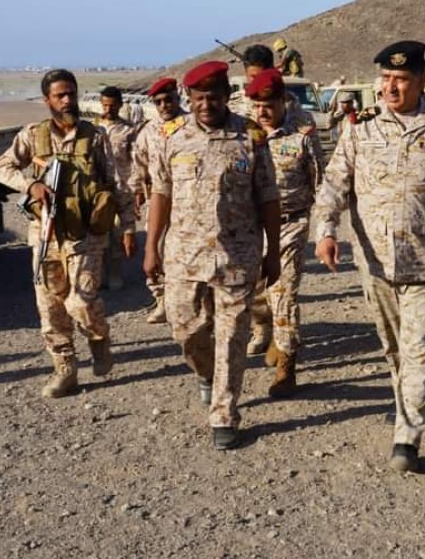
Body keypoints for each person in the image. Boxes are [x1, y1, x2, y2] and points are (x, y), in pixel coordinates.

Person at [313, 40, 425, 473]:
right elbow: (336, 183)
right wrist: (326, 231)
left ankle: (407, 437)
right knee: (395, 351)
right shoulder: (359, 125)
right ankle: (406, 401)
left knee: (421, 348)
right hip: (376, 261)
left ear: (422, 81)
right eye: (386, 78)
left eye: (401, 79)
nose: (391, 87)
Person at [143, 60, 281, 450]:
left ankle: (224, 413)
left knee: (233, 338)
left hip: (237, 254)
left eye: (214, 97)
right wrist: (151, 246)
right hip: (184, 256)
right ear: (189, 98)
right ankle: (205, 373)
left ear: (226, 97)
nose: (206, 105)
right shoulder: (172, 136)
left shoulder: (250, 136)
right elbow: (161, 194)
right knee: (185, 329)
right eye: (199, 98)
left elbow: (268, 197)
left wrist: (272, 252)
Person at [0, 70, 135, 398]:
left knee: (81, 301)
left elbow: (117, 184)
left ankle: (99, 340)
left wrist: (127, 227)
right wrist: (31, 184)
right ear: (48, 101)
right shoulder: (33, 135)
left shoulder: (95, 136)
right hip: (46, 235)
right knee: (51, 306)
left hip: (87, 235)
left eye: (71, 93)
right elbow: (1, 168)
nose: (68, 100)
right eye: (60, 95)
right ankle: (65, 370)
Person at [244, 69, 324, 397]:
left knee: (284, 292)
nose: (262, 111)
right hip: (252, 226)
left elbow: (321, 181)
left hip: (291, 224)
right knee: (253, 291)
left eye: (268, 104)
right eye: (256, 105)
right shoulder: (244, 136)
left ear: (282, 102)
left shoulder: (302, 134)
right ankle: (270, 332)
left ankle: (287, 367)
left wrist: (325, 227)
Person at [130, 77, 184, 324]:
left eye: (168, 100)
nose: (164, 106)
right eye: (159, 101)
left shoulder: (192, 125)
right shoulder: (148, 131)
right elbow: (139, 163)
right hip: (158, 199)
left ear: (178, 98)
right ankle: (161, 298)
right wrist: (136, 192)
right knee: (156, 247)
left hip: (188, 200)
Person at [93, 86, 139, 291]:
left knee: (120, 232)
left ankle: (115, 274)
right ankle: (100, 275)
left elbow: (137, 161)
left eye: (112, 105)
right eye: (104, 105)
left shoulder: (129, 131)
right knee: (99, 230)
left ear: (120, 105)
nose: (108, 109)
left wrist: (137, 188)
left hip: (123, 186)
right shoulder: (92, 129)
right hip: (99, 188)